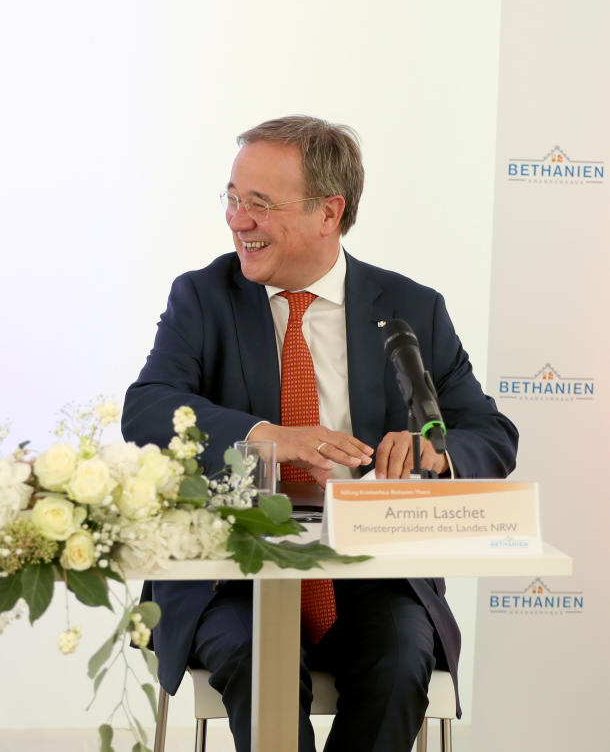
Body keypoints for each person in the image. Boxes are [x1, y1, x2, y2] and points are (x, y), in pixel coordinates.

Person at [121, 116, 517, 752]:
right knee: (263, 663)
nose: (237, 220)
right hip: (232, 581)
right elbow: (147, 411)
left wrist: (431, 450)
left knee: (398, 661)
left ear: (328, 212)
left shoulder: (412, 308)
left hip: (371, 573)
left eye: (259, 205)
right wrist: (268, 435)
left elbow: (490, 435)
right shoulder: (203, 297)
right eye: (232, 198)